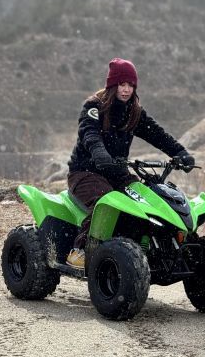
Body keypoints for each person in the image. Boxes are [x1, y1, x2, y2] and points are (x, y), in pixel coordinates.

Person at [65, 57, 195, 268]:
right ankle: (80, 250)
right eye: (121, 84)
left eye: (130, 85)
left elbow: (157, 135)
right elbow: (90, 136)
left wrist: (180, 152)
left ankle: (148, 251)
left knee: (146, 201)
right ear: (112, 85)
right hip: (85, 173)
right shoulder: (94, 107)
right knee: (106, 202)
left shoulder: (134, 112)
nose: (126, 90)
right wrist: (100, 155)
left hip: (117, 173)